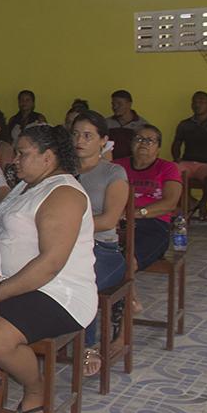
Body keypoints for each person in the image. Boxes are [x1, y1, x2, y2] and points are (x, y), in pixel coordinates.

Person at [0, 125, 95, 413]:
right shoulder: (27, 185)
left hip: (59, 292)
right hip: (17, 284)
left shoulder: (63, 193)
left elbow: (50, 264)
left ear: (48, 157)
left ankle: (36, 387)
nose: (15, 160)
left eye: (22, 154)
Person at [71, 111, 129, 376]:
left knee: (82, 279)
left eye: (87, 135)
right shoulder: (62, 170)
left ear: (103, 141)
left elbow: (108, 220)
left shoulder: (113, 173)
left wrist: (64, 225)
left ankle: (88, 344)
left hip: (102, 249)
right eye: (75, 134)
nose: (79, 140)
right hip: (64, 245)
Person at [116, 126, 183, 271]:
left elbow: (170, 203)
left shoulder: (167, 168)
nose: (143, 143)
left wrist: (136, 213)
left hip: (153, 223)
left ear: (158, 148)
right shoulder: (117, 166)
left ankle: (125, 290)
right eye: (139, 139)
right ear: (131, 144)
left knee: (128, 261)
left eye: (150, 140)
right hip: (117, 220)